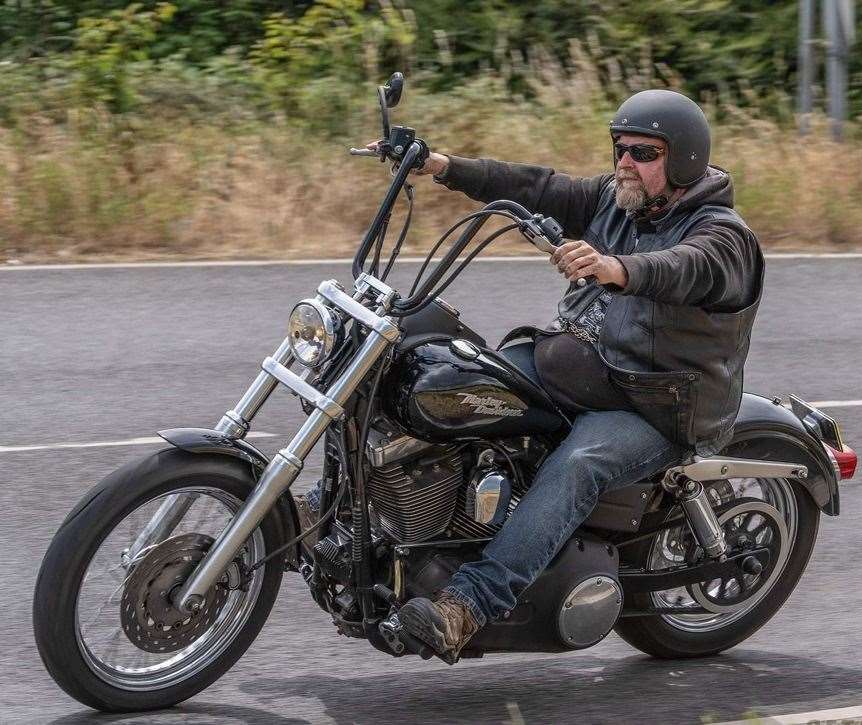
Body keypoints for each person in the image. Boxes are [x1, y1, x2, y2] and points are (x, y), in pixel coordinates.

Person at [309, 89, 766, 662]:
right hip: (582, 367)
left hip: (657, 403)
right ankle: (354, 510)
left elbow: (680, 269)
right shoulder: (614, 200)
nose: (625, 162)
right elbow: (537, 185)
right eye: (620, 149)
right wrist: (441, 166)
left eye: (644, 153)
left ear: (682, 161)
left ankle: (467, 606)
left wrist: (613, 267)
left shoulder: (725, 238)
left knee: (577, 464)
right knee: (442, 375)